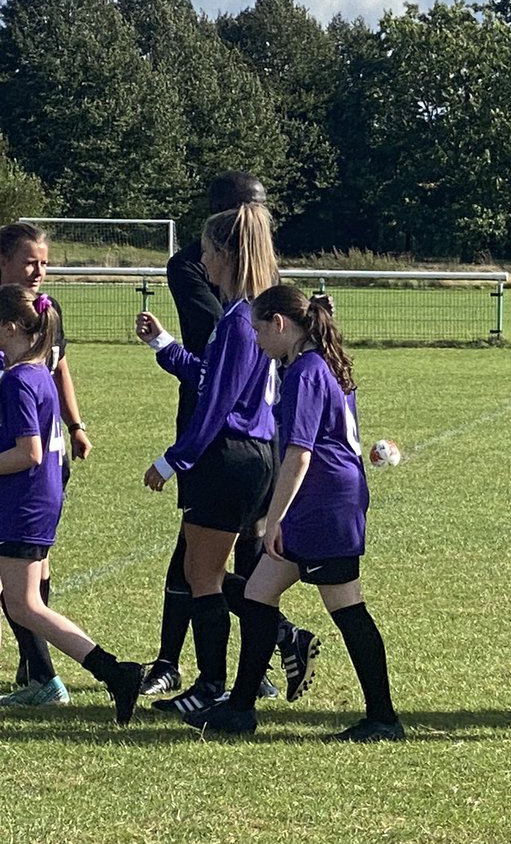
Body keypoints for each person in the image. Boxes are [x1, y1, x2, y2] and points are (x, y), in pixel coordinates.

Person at [186, 285, 403, 741]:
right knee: (257, 596)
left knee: (347, 608)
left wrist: (276, 518)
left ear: (279, 323)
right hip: (319, 500)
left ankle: (383, 717)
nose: (257, 341)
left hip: (325, 504)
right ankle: (240, 709)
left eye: (259, 330)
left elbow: (301, 454)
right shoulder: (314, 363)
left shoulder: (305, 371)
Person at [141, 172, 314, 702]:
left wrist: (173, 460)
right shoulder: (256, 314)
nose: (203, 264)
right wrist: (166, 346)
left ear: (224, 254)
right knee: (204, 568)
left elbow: (216, 400)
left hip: (231, 456)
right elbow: (217, 378)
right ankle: (239, 665)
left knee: (204, 573)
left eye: (210, 254)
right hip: (254, 452)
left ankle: (213, 683)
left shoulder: (240, 319)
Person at [0, 284, 142, 723]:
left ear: (8, 327)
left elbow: (30, 452)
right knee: (21, 601)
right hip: (33, 501)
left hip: (23, 504)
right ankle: (113, 672)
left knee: (25, 605)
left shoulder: (20, 379)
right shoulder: (38, 371)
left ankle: (115, 672)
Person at [0, 221, 92, 707]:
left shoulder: (43, 311)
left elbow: (59, 368)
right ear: (4, 262)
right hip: (15, 452)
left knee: (26, 568)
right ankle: (37, 665)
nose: (38, 271)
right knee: (22, 571)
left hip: (25, 458)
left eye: (43, 262)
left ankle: (40, 669)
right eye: (29, 261)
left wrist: (75, 425)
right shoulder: (8, 314)